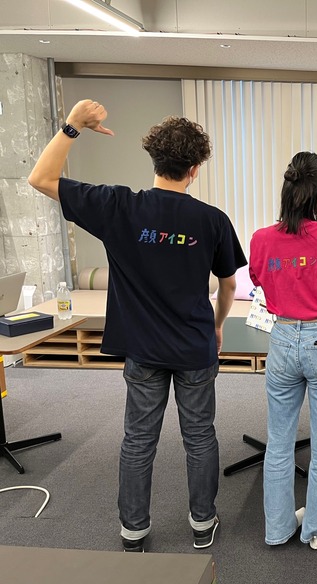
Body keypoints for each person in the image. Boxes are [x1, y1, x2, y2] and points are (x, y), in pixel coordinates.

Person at [27, 99, 247, 552]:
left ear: (155, 160)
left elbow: (41, 179)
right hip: (194, 348)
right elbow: (228, 286)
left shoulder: (118, 206)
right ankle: (202, 523)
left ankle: (133, 531)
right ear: (195, 169)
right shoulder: (212, 220)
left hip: (143, 350)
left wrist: (73, 126)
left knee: (138, 440)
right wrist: (218, 325)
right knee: (200, 437)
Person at [249, 151, 317, 551]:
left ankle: (278, 529)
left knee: (278, 441)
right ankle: (316, 532)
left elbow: (261, 284)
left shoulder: (262, 239)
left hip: (282, 338)